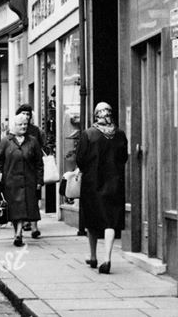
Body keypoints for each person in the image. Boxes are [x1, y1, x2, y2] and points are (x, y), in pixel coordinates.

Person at [76, 102, 128, 274]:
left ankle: (93, 256)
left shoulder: (89, 134)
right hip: (114, 183)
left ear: (95, 115)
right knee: (110, 221)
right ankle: (107, 258)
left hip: (93, 183)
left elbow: (80, 159)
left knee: (92, 219)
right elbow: (123, 158)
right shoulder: (120, 134)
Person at [0, 112, 43, 247]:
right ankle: (17, 233)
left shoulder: (32, 141)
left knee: (23, 210)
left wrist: (39, 181)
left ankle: (18, 234)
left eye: (25, 124)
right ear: (13, 126)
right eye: (20, 124)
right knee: (14, 210)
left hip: (28, 181)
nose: (23, 127)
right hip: (10, 181)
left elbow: (39, 163)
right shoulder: (6, 141)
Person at [15, 104, 45, 234]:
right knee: (21, 199)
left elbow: (40, 150)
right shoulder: (13, 132)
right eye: (23, 114)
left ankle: (33, 225)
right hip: (18, 171)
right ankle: (24, 224)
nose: (26, 117)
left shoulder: (35, 131)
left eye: (28, 114)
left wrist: (40, 177)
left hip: (32, 170)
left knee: (33, 199)